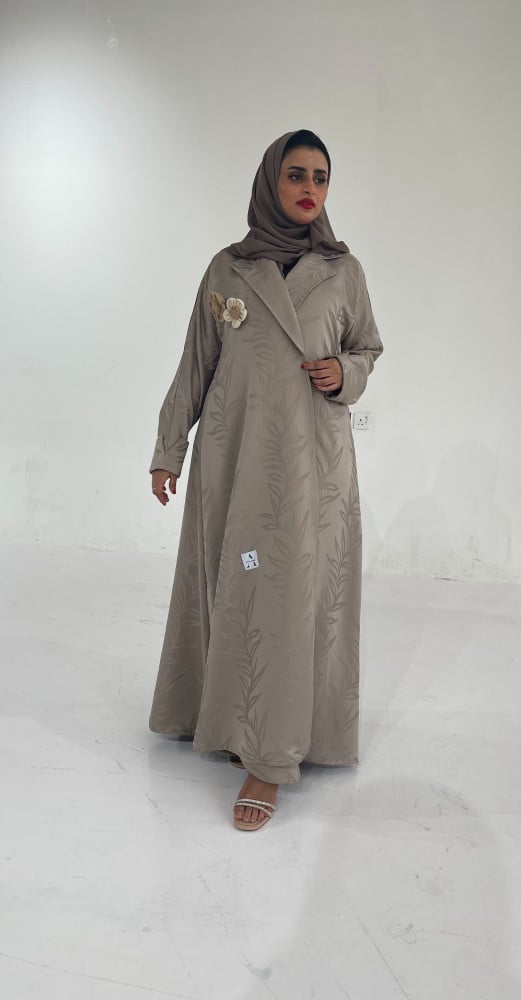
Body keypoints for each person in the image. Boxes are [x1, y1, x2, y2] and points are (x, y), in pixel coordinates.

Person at [148, 129, 383, 831]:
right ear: (269, 182)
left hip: (311, 471)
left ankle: (271, 758)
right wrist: (168, 449)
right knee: (238, 578)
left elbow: (367, 347)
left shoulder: (342, 271)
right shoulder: (228, 269)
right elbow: (196, 363)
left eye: (321, 177)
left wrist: (346, 373)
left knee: (289, 595)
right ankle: (228, 717)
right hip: (235, 462)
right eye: (296, 175)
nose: (310, 188)